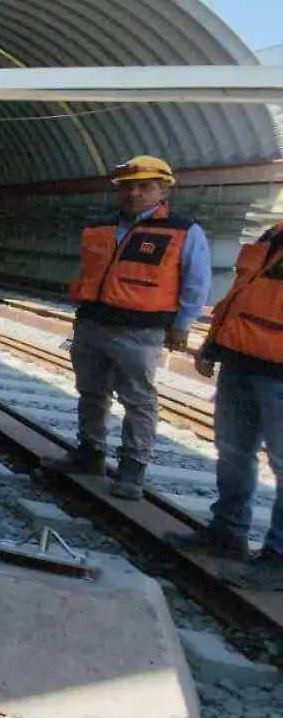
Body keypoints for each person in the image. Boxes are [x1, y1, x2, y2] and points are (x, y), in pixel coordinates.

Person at [60, 156, 211, 499]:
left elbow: (196, 281)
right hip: (93, 322)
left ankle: (132, 468)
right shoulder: (99, 228)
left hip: (139, 330)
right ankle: (91, 451)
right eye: (127, 187)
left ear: (163, 191)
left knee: (138, 399)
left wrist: (183, 325)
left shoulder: (183, 230)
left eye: (144, 186)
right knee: (91, 391)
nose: (134, 193)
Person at [176, 223, 283, 587]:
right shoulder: (272, 236)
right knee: (234, 452)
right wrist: (213, 344)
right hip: (240, 362)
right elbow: (240, 296)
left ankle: (278, 559)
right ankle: (228, 533)